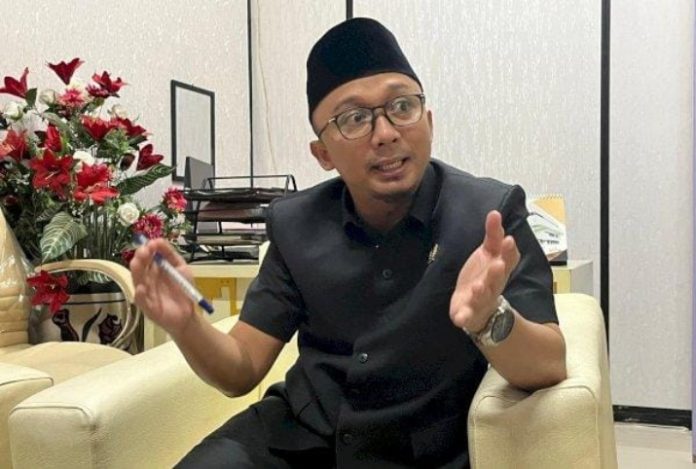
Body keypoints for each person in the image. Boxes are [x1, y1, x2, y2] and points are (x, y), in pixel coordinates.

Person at [131, 17, 566, 469]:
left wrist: (489, 318)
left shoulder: (489, 215)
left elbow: (549, 364)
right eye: (355, 118)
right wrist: (187, 325)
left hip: (422, 451)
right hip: (302, 436)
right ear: (322, 154)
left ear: (429, 121)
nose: (386, 133)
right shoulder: (295, 224)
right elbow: (241, 369)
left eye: (402, 106)